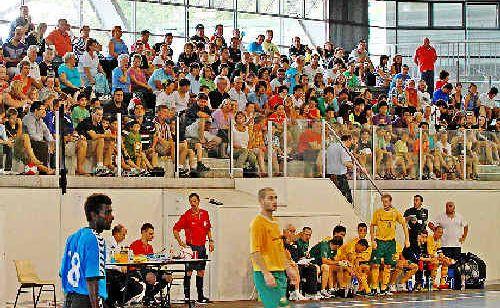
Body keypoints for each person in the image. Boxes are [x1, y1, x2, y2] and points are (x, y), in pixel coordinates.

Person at [60, 193, 114, 308]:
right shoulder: (96, 239)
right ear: (94, 215)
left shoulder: (72, 238)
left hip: (70, 300)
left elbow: (62, 272)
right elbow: (92, 278)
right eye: (107, 212)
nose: (112, 216)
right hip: (87, 301)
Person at [250, 187, 297, 308]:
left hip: (280, 273)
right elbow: (255, 252)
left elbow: (280, 249)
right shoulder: (258, 223)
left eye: (275, 198)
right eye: (270, 198)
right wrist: (266, 273)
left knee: (283, 306)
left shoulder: (275, 222)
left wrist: (288, 268)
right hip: (266, 273)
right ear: (261, 201)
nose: (274, 201)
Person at [173, 193, 214, 303]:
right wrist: (181, 242)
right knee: (189, 272)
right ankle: (187, 297)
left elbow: (208, 228)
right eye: (191, 201)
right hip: (191, 248)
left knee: (201, 271)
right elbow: (175, 229)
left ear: (198, 201)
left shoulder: (205, 214)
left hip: (201, 247)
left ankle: (200, 296)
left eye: (195, 201)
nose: (193, 203)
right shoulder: (186, 215)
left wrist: (211, 241)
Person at [369, 194, 410, 296]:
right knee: (375, 264)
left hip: (390, 243)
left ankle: (383, 288)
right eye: (383, 202)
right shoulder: (378, 213)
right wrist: (373, 240)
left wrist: (407, 239)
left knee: (388, 265)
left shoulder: (395, 213)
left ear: (390, 202)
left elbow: (404, 224)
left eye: (387, 201)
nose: (385, 204)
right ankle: (374, 287)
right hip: (379, 241)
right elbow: (372, 226)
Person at [129, 223, 172, 305]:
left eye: (153, 234)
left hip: (148, 270)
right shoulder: (135, 244)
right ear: (143, 232)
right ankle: (148, 297)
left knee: (168, 277)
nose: (152, 236)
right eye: (150, 234)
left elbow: (151, 261)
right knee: (151, 277)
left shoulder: (150, 247)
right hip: (138, 271)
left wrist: (161, 259)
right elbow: (132, 260)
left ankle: (149, 295)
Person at [105, 224, 143, 307]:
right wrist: (120, 267)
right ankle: (113, 302)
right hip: (110, 272)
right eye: (123, 234)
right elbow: (110, 262)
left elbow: (121, 259)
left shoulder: (118, 245)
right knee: (134, 286)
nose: (124, 237)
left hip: (117, 272)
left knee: (138, 286)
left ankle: (117, 301)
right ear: (117, 233)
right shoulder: (109, 243)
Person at [326, 134, 354, 204]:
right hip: (339, 176)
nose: (351, 144)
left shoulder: (331, 146)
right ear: (348, 140)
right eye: (351, 141)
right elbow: (345, 163)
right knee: (346, 199)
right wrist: (356, 167)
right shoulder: (343, 148)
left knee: (332, 197)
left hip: (329, 174)